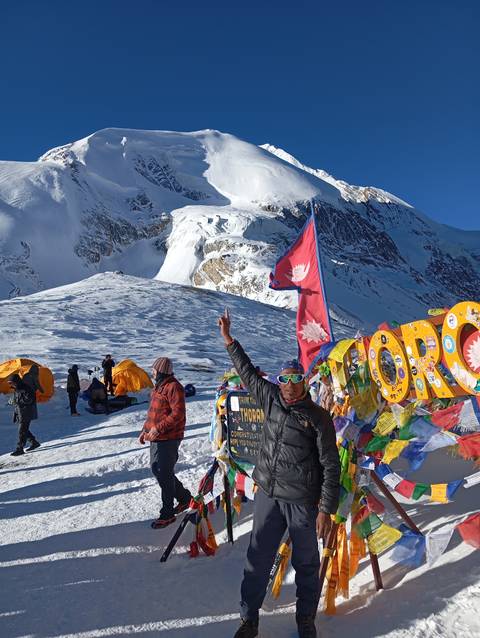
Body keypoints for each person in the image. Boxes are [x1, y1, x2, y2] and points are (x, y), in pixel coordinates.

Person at [218, 310, 340, 638]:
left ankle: (305, 620)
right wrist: (230, 340)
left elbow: (331, 465)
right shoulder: (271, 399)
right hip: (269, 497)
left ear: (303, 382)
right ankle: (249, 620)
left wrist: (326, 509)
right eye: (283, 379)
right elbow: (247, 374)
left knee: (306, 565)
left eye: (294, 379)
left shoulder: (318, 418)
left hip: (301, 502)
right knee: (257, 558)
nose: (288, 385)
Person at [139, 357, 192, 529]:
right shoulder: (159, 386)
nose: (152, 372)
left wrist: (158, 429)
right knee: (158, 470)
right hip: (156, 436)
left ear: (160, 370)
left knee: (163, 472)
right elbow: (154, 413)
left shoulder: (174, 387)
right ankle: (184, 498)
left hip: (169, 437)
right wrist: (146, 430)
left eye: (154, 369)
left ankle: (167, 513)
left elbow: (178, 414)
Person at [8, 374, 41, 456]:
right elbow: (17, 399)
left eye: (12, 383)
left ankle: (20, 448)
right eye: (10, 383)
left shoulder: (26, 388)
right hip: (21, 412)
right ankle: (34, 442)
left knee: (22, 431)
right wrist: (12, 401)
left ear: (16, 381)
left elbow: (29, 399)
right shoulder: (17, 388)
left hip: (27, 412)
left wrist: (17, 402)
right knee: (24, 429)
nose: (11, 385)